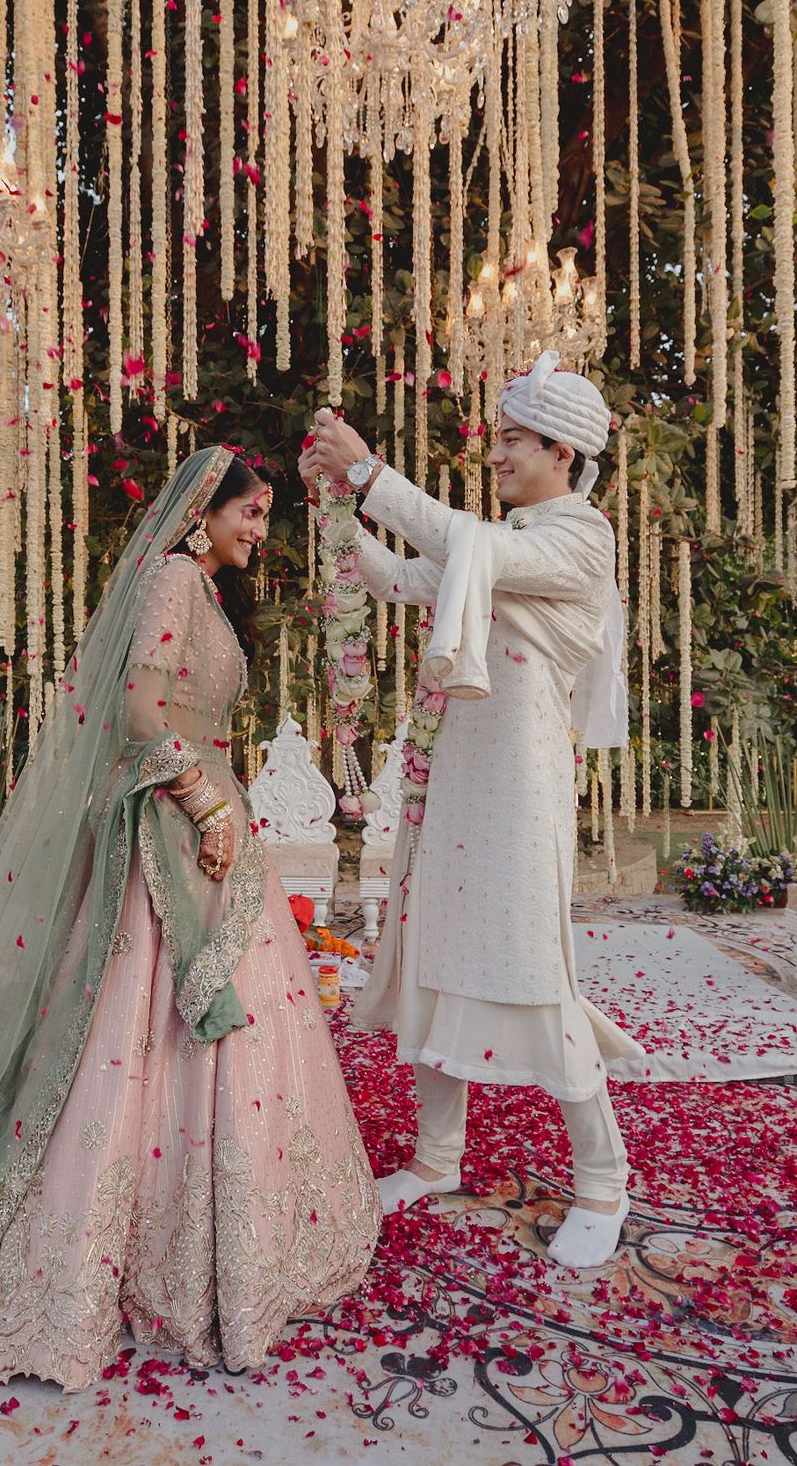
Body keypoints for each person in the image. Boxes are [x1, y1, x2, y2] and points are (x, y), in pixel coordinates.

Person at [0, 447, 380, 1389]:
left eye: (269, 515)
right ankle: (128, 1244)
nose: (259, 530)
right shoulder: (171, 578)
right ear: (205, 510)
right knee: (141, 1021)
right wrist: (206, 801)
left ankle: (231, 1235)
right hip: (172, 827)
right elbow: (143, 710)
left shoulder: (201, 588)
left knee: (213, 1021)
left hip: (204, 822)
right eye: (252, 511)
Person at [299, 352, 644, 1271]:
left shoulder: (580, 538)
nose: (494, 452)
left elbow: (458, 541)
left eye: (512, 438)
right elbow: (392, 574)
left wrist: (372, 473)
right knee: (436, 961)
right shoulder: (489, 546)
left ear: (564, 451)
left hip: (519, 795)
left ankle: (604, 1184)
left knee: (533, 972)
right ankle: (436, 1158)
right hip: (451, 784)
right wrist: (334, 498)